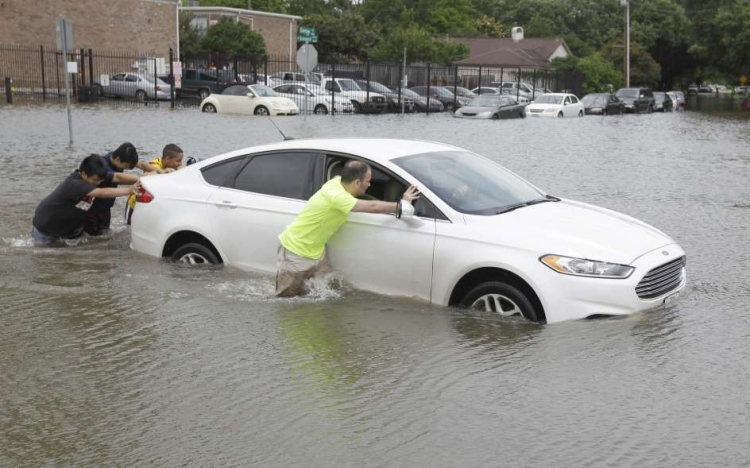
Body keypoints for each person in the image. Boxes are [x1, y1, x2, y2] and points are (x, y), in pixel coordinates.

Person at [275, 160, 420, 297]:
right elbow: (372, 207)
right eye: (368, 181)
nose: (370, 184)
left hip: (316, 252)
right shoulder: (339, 197)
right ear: (357, 182)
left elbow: (368, 200)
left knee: (325, 291)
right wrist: (402, 205)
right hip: (295, 252)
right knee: (286, 299)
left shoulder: (337, 181)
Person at [32, 154, 140, 246]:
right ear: (83, 174)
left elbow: (117, 177)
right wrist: (130, 190)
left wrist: (141, 179)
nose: (98, 183)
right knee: (45, 257)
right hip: (46, 226)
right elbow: (103, 193)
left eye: (101, 180)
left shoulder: (93, 175)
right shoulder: (75, 184)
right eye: (95, 180)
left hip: (67, 226)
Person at [83, 142, 146, 236]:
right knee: (94, 237)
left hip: (106, 207)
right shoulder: (104, 167)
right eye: (126, 167)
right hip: (92, 209)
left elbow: (140, 164)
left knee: (105, 235)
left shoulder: (116, 156)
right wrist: (144, 178)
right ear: (117, 159)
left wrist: (160, 172)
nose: (127, 169)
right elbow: (119, 177)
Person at [124, 144, 185, 225]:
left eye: (181, 160)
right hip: (134, 203)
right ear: (167, 159)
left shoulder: (174, 166)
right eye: (178, 161)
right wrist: (164, 172)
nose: (180, 164)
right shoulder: (154, 164)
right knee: (128, 228)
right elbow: (149, 176)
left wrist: (182, 172)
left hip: (149, 205)